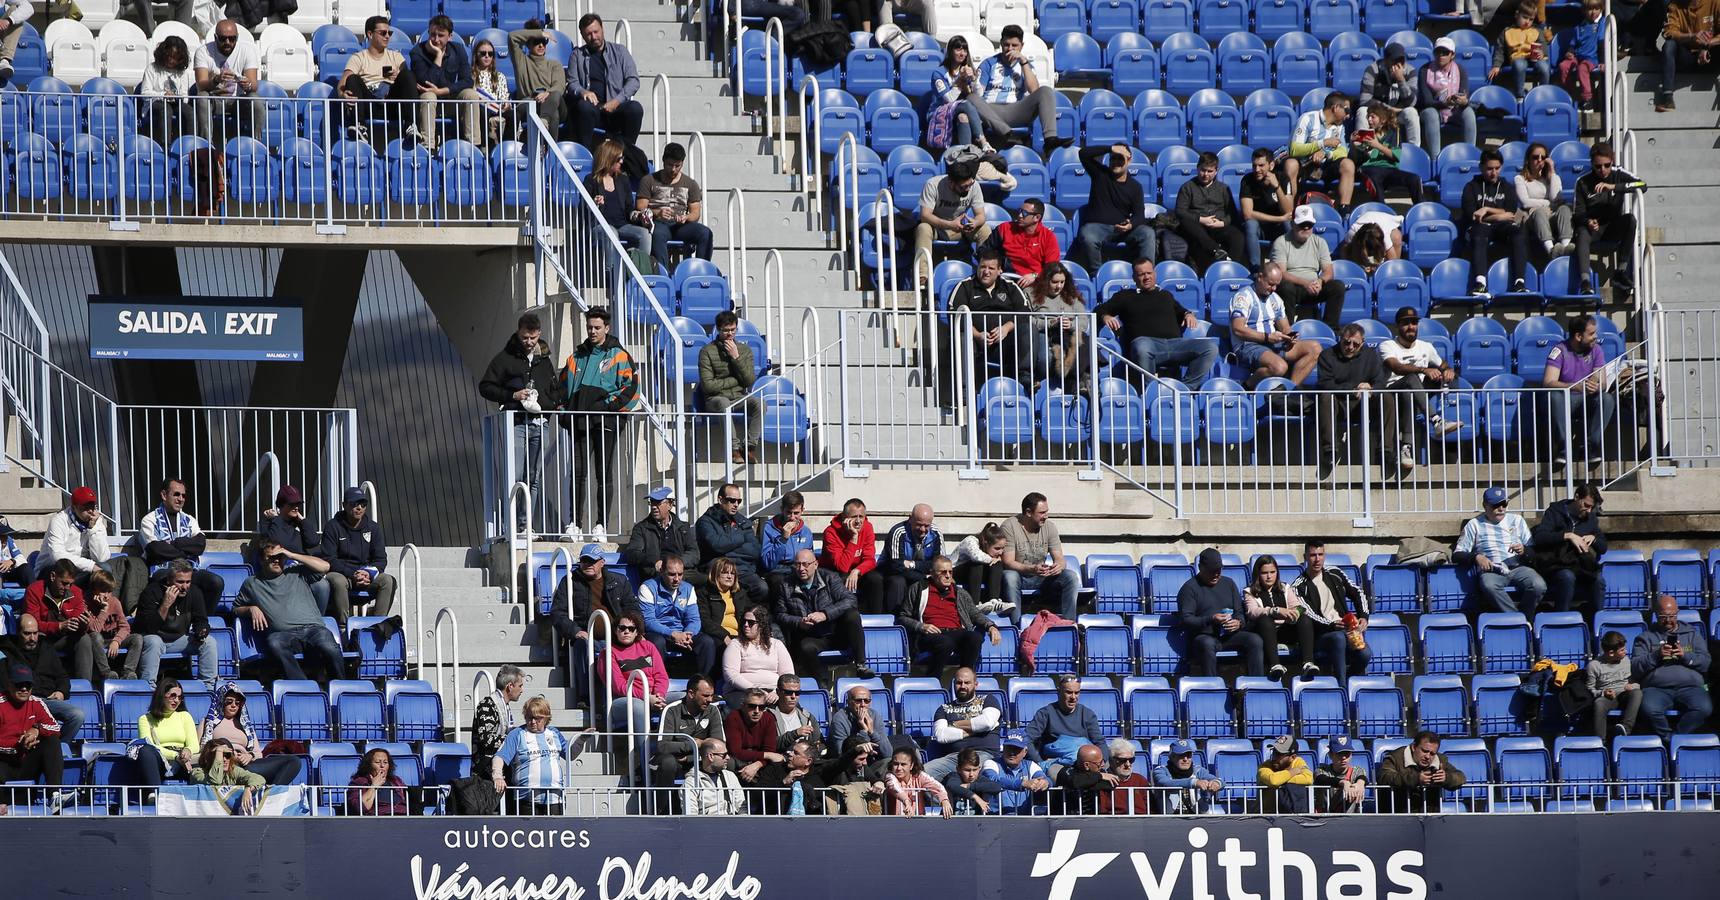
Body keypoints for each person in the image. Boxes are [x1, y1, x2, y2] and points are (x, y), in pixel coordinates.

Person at [560, 306, 643, 536]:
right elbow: (561, 388)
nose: (593, 331)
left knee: (603, 473)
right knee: (577, 473)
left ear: (607, 328)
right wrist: (564, 412)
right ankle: (574, 524)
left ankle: (600, 525)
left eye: (597, 327)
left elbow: (631, 391)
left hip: (606, 422)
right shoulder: (576, 357)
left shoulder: (620, 355)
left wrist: (607, 407)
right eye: (589, 327)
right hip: (579, 423)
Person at [480, 312, 560, 528]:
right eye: (525, 337)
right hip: (515, 424)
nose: (529, 342)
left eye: (533, 338)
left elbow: (554, 390)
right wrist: (512, 396)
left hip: (540, 424)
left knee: (533, 477)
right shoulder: (505, 358)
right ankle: (510, 524)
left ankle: (525, 525)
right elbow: (485, 386)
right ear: (518, 332)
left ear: (539, 334)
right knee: (514, 474)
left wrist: (548, 407)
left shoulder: (544, 360)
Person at [1096, 258, 1217, 389]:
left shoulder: (1165, 295)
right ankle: (1151, 391)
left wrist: (1188, 314)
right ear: (1134, 278)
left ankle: (1184, 389)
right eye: (1141, 274)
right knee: (1142, 345)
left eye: (1149, 273)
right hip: (1148, 345)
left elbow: (1181, 310)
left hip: (1175, 345)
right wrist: (1105, 316)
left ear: (1155, 274)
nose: (1146, 277)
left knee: (1210, 347)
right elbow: (1099, 310)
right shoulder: (1125, 296)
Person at [233, 539, 342, 682]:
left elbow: (325, 566)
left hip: (313, 629)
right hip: (283, 634)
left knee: (330, 647)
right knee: (274, 643)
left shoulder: (297, 572)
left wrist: (291, 555)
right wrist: (250, 609)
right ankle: (301, 685)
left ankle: (339, 685)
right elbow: (235, 608)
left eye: (280, 556)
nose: (277, 560)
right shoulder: (252, 583)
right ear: (260, 560)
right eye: (271, 557)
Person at [548, 545, 635, 706]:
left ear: (602, 562)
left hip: (617, 637)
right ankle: (586, 698)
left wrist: (629, 629)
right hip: (587, 638)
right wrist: (575, 631)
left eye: (592, 561)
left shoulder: (619, 581)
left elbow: (633, 610)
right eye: (584, 561)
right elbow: (558, 613)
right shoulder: (570, 582)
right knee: (581, 645)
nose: (587, 565)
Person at [1379, 307, 1462, 473]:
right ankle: (1437, 421)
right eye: (1405, 323)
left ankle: (1406, 449)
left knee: (1411, 390)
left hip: (1414, 396)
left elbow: (1442, 364)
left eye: (1414, 322)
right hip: (1391, 395)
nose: (1411, 326)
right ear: (1397, 326)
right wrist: (1423, 370)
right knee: (1411, 379)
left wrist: (1448, 370)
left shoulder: (1426, 347)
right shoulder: (1387, 345)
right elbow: (1397, 367)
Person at [773, 549, 872, 680]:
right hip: (811, 636)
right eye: (797, 564)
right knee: (806, 647)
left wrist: (825, 614)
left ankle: (861, 665)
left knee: (852, 615)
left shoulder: (830, 578)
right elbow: (780, 614)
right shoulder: (785, 585)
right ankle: (822, 686)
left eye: (805, 564)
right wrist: (799, 622)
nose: (801, 568)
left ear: (816, 564)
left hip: (836, 633)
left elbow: (850, 600)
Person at [1314, 323, 1392, 479]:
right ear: (1340, 339)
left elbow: (1380, 381)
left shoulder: (1371, 355)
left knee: (1386, 396)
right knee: (1325, 396)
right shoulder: (1327, 355)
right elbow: (1325, 384)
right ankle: (1330, 451)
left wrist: (1370, 388)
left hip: (1364, 405)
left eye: (1355, 344)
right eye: (1346, 342)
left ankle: (1386, 452)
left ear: (1362, 343)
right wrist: (1354, 388)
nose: (1350, 347)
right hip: (1339, 404)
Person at [970, 25, 1066, 151]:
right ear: (1001, 44)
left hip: (1015, 110)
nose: (1010, 49)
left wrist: (1023, 62)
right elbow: (978, 94)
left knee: (1046, 91)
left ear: (1021, 46)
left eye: (1014, 45)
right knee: (971, 97)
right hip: (992, 109)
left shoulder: (1026, 65)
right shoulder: (989, 63)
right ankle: (1007, 133)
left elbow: (1034, 91)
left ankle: (1050, 139)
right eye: (1006, 45)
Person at [1289, 541, 1373, 684]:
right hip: (1320, 636)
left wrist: (1364, 617)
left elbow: (1357, 592)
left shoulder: (1335, 573)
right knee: (1338, 638)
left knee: (1365, 654)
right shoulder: (1298, 586)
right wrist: (1333, 625)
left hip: (1347, 630)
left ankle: (1346, 679)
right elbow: (1309, 614)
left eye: (1320, 555)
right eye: (1313, 555)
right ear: (1305, 557)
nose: (1317, 559)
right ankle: (1341, 687)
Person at [900, 558, 1002, 675]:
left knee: (974, 638)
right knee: (945, 642)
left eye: (950, 572)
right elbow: (903, 617)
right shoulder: (918, 589)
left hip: (955, 632)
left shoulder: (960, 593)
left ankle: (965, 678)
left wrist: (990, 626)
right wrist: (921, 626)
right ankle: (933, 679)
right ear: (932, 573)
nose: (948, 576)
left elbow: (975, 613)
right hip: (930, 634)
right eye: (943, 572)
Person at [1455, 487, 1547, 615]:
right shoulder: (1474, 524)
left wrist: (1524, 550)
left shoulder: (1517, 520)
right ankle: (1518, 619)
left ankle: (1524, 617)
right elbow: (1458, 554)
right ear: (1485, 505)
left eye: (1504, 504)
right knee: (1489, 586)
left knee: (1538, 585)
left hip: (1517, 567)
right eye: (1495, 505)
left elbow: (1532, 550)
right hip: (1492, 569)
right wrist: (1476, 557)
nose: (1501, 508)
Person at [1542, 313, 1617, 467]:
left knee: (1607, 398)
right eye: (1591, 334)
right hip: (1565, 401)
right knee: (1554, 397)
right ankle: (1563, 447)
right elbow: (1548, 382)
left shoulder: (1596, 350)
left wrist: (1596, 386)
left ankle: (1590, 446)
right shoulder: (1559, 350)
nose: (1595, 337)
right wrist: (1574, 386)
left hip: (1586, 400)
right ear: (1578, 336)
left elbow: (1602, 382)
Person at [948, 251, 1033, 386]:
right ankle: (964, 390)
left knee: (1028, 329)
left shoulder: (1010, 286)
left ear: (1000, 270)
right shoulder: (965, 286)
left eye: (991, 268)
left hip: (1005, 343)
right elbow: (955, 316)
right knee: (962, 337)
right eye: (982, 267)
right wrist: (977, 335)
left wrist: (1006, 328)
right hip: (975, 342)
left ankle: (1024, 376)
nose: (986, 272)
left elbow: (1025, 313)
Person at [131, 561, 218, 692]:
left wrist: (202, 630)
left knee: (209, 642)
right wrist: (165, 604)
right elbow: (149, 628)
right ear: (168, 580)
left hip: (178, 639)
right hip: (154, 638)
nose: (185, 587)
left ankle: (208, 689)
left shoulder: (194, 592)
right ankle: (148, 688)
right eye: (180, 582)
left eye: (188, 582)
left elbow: (202, 620)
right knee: (154, 641)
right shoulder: (151, 592)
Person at [1633, 594, 1712, 738]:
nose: (1668, 620)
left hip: (1690, 687)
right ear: (1656, 615)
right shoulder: (1645, 637)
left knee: (1704, 708)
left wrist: (1685, 656)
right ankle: (1668, 739)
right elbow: (1636, 667)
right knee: (1649, 710)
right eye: (1663, 616)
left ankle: (1678, 737)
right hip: (1657, 689)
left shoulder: (1692, 635)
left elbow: (1706, 662)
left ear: (1677, 613)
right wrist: (1656, 655)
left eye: (1672, 616)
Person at [1229, 262, 1321, 386]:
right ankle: (1247, 386)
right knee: (1279, 367)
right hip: (1248, 346)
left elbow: (1285, 327)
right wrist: (1266, 337)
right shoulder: (1243, 297)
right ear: (1260, 277)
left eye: (1276, 285)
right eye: (1270, 284)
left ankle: (1289, 390)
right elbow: (1238, 329)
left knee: (1315, 348)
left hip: (1272, 343)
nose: (1273, 289)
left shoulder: (1276, 299)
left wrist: (1290, 337)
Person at [1178, 548, 1265, 677]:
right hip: (1204, 635)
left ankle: (1256, 684)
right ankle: (1212, 685)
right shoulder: (1189, 588)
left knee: (1255, 640)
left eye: (1218, 571)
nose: (1216, 575)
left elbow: (1239, 611)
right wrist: (1211, 619)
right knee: (1207, 644)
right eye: (1211, 572)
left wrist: (1238, 622)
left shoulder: (1228, 584)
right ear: (1200, 568)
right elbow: (1186, 619)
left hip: (1229, 635)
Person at [137, 478, 224, 607]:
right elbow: (155, 550)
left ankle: (202, 620)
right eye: (176, 494)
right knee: (165, 579)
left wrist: (175, 543)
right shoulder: (149, 520)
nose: (181, 499)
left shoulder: (189, 520)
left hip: (189, 571)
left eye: (183, 495)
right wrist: (186, 552)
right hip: (163, 571)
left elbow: (200, 545)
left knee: (216, 582)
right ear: (164, 495)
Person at [38, 486, 132, 602]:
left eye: (92, 506)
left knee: (104, 568)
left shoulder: (96, 522)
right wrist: (90, 566)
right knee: (96, 569)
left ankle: (101, 607)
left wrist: (93, 529)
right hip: (52, 570)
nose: (91, 511)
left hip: (78, 571)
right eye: (86, 508)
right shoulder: (59, 521)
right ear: (74, 507)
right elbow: (57, 556)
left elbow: (101, 557)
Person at [0, 614, 85, 742]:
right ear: (18, 633)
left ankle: (59, 747)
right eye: (27, 633)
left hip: (48, 700)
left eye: (35, 633)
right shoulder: (6, 652)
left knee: (77, 715)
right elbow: (5, 683)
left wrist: (61, 692)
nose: (32, 638)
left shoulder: (47, 649)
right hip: (22, 701)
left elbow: (62, 676)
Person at [320, 486, 396, 628]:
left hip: (365, 575)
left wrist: (368, 573)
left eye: (363, 504)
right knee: (336, 580)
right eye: (354, 504)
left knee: (388, 580)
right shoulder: (332, 526)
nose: (359, 507)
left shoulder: (373, 528)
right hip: (344, 574)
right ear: (344, 505)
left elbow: (380, 559)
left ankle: (378, 624)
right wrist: (353, 574)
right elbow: (329, 559)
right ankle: (343, 628)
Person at [1072, 144, 1155, 271]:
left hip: (1122, 230)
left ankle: (1146, 272)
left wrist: (1130, 225)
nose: (1116, 162)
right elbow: (1083, 154)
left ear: (1129, 160)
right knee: (1087, 234)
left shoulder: (1135, 187)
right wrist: (1109, 149)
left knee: (1147, 233)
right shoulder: (1100, 175)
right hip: (1097, 228)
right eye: (1113, 158)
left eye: (1120, 158)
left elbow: (1139, 215)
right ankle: (1097, 273)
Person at [567, 13, 643, 151]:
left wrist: (617, 101)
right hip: (592, 110)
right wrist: (583, 91)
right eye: (588, 34)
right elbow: (572, 83)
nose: (594, 37)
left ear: (602, 29)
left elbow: (633, 80)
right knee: (583, 107)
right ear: (583, 36)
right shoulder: (577, 55)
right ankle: (585, 154)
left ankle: (627, 154)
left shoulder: (620, 51)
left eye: (596, 32)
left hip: (615, 108)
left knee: (635, 108)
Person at [999, 492, 1081, 620]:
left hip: (1042, 577)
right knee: (1009, 576)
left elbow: (1060, 558)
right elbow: (1008, 562)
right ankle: (1016, 626)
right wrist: (1031, 568)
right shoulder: (1009, 526)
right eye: (1042, 513)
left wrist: (1058, 566)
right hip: (1019, 575)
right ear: (1028, 512)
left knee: (1070, 576)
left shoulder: (1050, 527)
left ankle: (1069, 624)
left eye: (1046, 512)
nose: (1046, 516)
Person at [1571, 142, 1638, 296]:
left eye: (1607, 165)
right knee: (1582, 232)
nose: (1603, 170)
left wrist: (1614, 187)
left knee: (1630, 220)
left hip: (1612, 227)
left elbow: (1642, 184)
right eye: (1598, 166)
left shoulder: (1618, 174)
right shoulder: (1582, 182)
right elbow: (1577, 214)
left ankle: (1620, 272)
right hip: (1592, 228)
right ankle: (1585, 281)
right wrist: (1588, 221)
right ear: (1592, 164)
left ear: (1612, 161)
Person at [1530, 484, 1608, 614]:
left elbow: (1603, 547)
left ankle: (1596, 623)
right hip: (1556, 564)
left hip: (1580, 566)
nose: (1588, 510)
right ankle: (1562, 618)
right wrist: (1567, 536)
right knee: (1567, 577)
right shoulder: (1555, 512)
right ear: (1577, 497)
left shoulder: (1591, 519)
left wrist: (1593, 539)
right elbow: (1540, 537)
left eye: (1592, 507)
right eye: (1586, 505)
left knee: (1599, 580)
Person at [637, 555, 718, 679]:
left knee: (707, 642)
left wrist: (688, 634)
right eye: (671, 574)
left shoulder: (688, 589)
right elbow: (648, 621)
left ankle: (703, 685)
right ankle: (657, 683)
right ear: (662, 571)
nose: (676, 579)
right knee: (657, 642)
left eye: (680, 574)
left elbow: (694, 619)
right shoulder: (648, 588)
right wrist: (673, 634)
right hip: (658, 632)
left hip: (682, 633)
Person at [251, 485, 329, 614]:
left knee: (322, 586)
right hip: (282, 570)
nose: (296, 507)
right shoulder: (271, 523)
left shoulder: (299, 523)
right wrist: (276, 519)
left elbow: (313, 541)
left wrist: (303, 520)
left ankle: (318, 620)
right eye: (292, 504)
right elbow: (278, 543)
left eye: (298, 504)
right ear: (281, 505)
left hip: (302, 569)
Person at [1461, 148, 1528, 298]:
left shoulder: (1507, 187)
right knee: (1478, 233)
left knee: (1518, 232)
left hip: (1502, 228)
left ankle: (1519, 283)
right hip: (1479, 228)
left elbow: (1510, 213)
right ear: (1481, 168)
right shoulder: (1471, 187)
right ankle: (1480, 284)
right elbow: (1471, 215)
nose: (1494, 172)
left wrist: (1485, 209)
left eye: (1497, 168)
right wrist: (1498, 216)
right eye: (1489, 169)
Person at [636, 143, 712, 273]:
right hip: (658, 223)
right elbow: (640, 207)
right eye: (670, 165)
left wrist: (686, 217)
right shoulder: (649, 180)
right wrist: (657, 213)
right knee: (658, 234)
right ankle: (662, 274)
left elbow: (695, 212)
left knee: (705, 233)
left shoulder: (690, 184)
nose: (673, 169)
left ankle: (701, 272)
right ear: (663, 161)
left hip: (680, 225)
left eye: (678, 166)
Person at [913, 160, 991, 287]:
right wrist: (950, 225)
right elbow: (925, 216)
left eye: (969, 184)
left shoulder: (974, 186)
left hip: (961, 228)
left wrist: (974, 223)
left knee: (985, 230)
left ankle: (984, 273)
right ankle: (923, 277)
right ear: (951, 183)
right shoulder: (933, 184)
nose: (968, 188)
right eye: (963, 186)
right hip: (937, 227)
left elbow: (981, 216)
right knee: (923, 228)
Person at [699, 311, 762, 465]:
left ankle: (748, 447)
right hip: (715, 399)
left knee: (760, 404)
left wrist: (736, 358)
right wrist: (736, 380)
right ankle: (734, 450)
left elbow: (749, 381)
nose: (730, 334)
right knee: (723, 404)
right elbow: (708, 386)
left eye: (733, 330)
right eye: (726, 330)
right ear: (718, 329)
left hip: (738, 397)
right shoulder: (707, 351)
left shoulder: (744, 350)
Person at [409, 15, 480, 152]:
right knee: (429, 96)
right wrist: (438, 57)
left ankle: (473, 148)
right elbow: (427, 82)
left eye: (441, 35)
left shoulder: (458, 49)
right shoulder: (417, 52)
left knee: (470, 94)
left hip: (450, 101)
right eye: (432, 34)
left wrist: (442, 91)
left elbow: (467, 81)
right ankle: (427, 148)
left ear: (450, 36)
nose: (436, 39)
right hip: (425, 104)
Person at [493, 695, 573, 814]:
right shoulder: (517, 734)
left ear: (546, 718)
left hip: (555, 798)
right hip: (526, 800)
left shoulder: (554, 733)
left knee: (555, 832)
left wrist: (582, 740)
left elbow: (571, 755)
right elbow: (500, 757)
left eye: (537, 718)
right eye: (529, 718)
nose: (533, 722)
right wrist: (497, 776)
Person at [0, 664, 66, 808]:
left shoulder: (36, 702)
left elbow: (55, 728)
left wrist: (36, 730)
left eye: (28, 685)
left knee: (52, 741)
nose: (24, 689)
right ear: (9, 685)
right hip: (3, 762)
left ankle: (55, 796)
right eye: (19, 684)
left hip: (25, 763)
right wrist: (19, 743)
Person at [923, 667, 1003, 782]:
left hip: (984, 755)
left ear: (976, 684)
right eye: (959, 683)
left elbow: (987, 722)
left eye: (967, 682)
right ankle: (941, 801)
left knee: (985, 773)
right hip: (954, 758)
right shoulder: (944, 709)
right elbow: (941, 735)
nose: (963, 686)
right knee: (923, 773)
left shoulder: (988, 700)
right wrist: (978, 728)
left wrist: (954, 724)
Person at [1243, 556, 1317, 681]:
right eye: (1264, 573)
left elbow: (1299, 606)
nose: (1269, 577)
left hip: (1285, 631)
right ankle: (1275, 665)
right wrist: (1274, 611)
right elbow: (1252, 612)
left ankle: (1308, 663)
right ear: (1257, 574)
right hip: (1265, 632)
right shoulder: (1249, 591)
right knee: (1265, 619)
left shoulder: (1285, 588)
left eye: (1272, 572)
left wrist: (1295, 613)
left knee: (1304, 618)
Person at [1273, 205, 1346, 329]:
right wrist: (1305, 283)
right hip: (1293, 288)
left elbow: (1328, 271)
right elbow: (1281, 273)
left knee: (1337, 286)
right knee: (1285, 287)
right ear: (1292, 224)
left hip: (1313, 287)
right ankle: (1287, 330)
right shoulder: (1281, 242)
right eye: (1302, 224)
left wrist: (1320, 281)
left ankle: (1330, 328)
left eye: (1309, 224)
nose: (1306, 228)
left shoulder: (1320, 242)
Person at [338, 16, 410, 142]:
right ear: (370, 34)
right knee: (353, 78)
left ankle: (411, 125)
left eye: (389, 33)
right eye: (383, 33)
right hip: (369, 104)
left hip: (391, 104)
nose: (387, 36)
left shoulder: (397, 57)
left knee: (407, 75)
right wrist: (342, 95)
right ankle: (358, 125)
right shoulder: (359, 57)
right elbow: (343, 82)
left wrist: (398, 76)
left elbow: (409, 83)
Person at [697, 483, 770, 604]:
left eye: (738, 501)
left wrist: (727, 550)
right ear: (720, 499)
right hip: (719, 570)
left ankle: (749, 619)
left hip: (742, 570)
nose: (736, 504)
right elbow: (717, 545)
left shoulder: (742, 521)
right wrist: (740, 537)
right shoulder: (706, 521)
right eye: (731, 500)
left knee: (762, 588)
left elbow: (754, 551)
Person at [1285, 92, 1358, 212]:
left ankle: (1344, 210)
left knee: (1348, 164)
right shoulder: (1308, 118)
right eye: (1347, 110)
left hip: (1326, 166)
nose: (1348, 115)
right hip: (1305, 165)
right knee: (1291, 164)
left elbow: (1343, 151)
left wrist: (1326, 153)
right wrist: (1322, 143)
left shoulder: (1339, 126)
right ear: (1335, 108)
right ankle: (1290, 211)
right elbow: (1294, 149)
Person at [604, 611, 669, 742]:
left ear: (636, 632)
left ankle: (674, 749)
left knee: (684, 699)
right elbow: (619, 687)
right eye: (622, 628)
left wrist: (658, 696)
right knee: (639, 706)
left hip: (653, 696)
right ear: (616, 631)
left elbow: (661, 676)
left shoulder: (648, 647)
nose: (626, 631)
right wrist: (646, 697)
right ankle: (645, 756)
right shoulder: (608, 653)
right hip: (622, 700)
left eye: (631, 628)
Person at [585, 138, 654, 263]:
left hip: (622, 224)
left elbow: (629, 209)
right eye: (618, 159)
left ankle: (641, 271)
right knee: (611, 233)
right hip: (600, 225)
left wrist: (638, 215)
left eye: (622, 158)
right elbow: (583, 209)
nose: (622, 161)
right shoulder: (591, 180)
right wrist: (594, 203)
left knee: (645, 234)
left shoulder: (623, 180)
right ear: (608, 159)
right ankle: (611, 274)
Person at [1175, 151, 1247, 271]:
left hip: (1218, 225)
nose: (1206, 174)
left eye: (1210, 171)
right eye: (1203, 170)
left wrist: (1222, 222)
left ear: (1216, 171)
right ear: (1197, 168)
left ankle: (1234, 267)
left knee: (1237, 235)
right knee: (1187, 223)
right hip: (1198, 226)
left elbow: (1232, 214)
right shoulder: (1187, 187)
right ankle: (1215, 249)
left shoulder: (1223, 188)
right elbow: (1180, 211)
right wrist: (1201, 220)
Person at [192, 19, 261, 143]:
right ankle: (206, 145)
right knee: (202, 97)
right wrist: (216, 79)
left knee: (255, 99)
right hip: (214, 101)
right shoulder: (203, 52)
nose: (228, 42)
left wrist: (247, 84)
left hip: (237, 101)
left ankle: (257, 145)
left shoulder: (247, 51)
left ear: (237, 37)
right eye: (223, 39)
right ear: (215, 37)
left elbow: (254, 85)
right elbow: (201, 85)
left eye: (232, 38)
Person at [1024, 675, 1106, 775]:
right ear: (1058, 692)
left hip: (1085, 763)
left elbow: (1099, 742)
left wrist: (1102, 763)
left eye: (1077, 693)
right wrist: (1040, 762)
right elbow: (1027, 739)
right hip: (1057, 764)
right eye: (1068, 692)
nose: (1073, 697)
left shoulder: (1087, 714)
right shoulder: (1045, 713)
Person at [73, 571, 144, 685]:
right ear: (94, 590)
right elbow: (94, 629)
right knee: (95, 636)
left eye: (109, 592)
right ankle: (106, 673)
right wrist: (103, 611)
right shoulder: (85, 604)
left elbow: (125, 627)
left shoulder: (114, 602)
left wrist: (116, 640)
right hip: (97, 641)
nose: (106, 596)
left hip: (113, 639)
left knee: (137, 638)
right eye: (103, 591)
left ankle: (128, 672)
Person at [655, 675, 726, 783]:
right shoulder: (671, 710)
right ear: (691, 694)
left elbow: (719, 746)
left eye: (712, 696)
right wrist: (695, 744)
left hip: (702, 759)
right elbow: (663, 746)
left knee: (726, 762)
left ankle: (723, 799)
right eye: (706, 696)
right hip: (676, 760)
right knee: (667, 763)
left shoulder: (713, 710)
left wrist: (690, 758)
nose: (710, 700)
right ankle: (663, 800)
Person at [131, 678, 198, 793]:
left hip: (184, 760)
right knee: (145, 750)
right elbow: (150, 745)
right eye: (173, 696)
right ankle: (155, 795)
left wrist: (188, 750)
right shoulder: (145, 719)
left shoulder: (185, 716)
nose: (176, 700)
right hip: (161, 760)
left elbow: (194, 744)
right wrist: (175, 756)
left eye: (179, 697)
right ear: (162, 696)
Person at [820, 498, 884, 615]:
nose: (859, 521)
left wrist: (857, 571)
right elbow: (842, 566)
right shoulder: (830, 533)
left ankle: (875, 618)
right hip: (834, 572)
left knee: (876, 579)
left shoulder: (868, 527)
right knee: (842, 578)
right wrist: (853, 538)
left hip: (855, 571)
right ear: (845, 518)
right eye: (854, 517)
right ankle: (845, 617)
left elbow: (870, 560)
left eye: (862, 516)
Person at [1376, 730, 1465, 813]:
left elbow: (1461, 777)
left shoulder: (1440, 760)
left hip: (1430, 817)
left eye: (1432, 753)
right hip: (1398, 814)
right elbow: (1384, 777)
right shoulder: (1395, 757)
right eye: (1424, 751)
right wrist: (1415, 779)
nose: (1428, 756)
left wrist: (1446, 778)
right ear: (1414, 747)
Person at [625, 486, 701, 582]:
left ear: (670, 505)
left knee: (708, 580)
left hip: (681, 572)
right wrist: (654, 561)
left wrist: (676, 564)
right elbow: (632, 553)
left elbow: (694, 554)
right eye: (652, 502)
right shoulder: (641, 528)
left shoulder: (683, 527)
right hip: (655, 573)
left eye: (658, 503)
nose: (653, 507)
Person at [1418, 37, 1478, 160]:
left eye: (1445, 53)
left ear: (1452, 55)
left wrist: (1463, 101)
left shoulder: (1460, 70)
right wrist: (1444, 103)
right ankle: (1436, 159)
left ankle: (1471, 155)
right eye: (1437, 52)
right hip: (1434, 110)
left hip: (1454, 110)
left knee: (1469, 112)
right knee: (1430, 113)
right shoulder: (1425, 70)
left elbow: (1463, 93)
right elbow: (1426, 101)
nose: (1441, 55)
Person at [1352, 102, 1423, 204]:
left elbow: (1397, 156)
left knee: (1414, 178)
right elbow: (1359, 157)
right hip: (1370, 168)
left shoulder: (1394, 132)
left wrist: (1377, 145)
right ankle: (1381, 210)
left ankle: (1419, 208)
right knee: (1375, 177)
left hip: (1390, 169)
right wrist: (1353, 143)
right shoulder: (1365, 134)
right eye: (1368, 117)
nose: (1369, 120)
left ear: (1383, 120)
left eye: (1373, 117)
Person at [1656, 0, 1720, 111]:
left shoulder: (1715, 2)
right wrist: (1691, 36)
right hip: (1687, 56)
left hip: (1711, 55)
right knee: (1669, 45)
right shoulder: (1675, 5)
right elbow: (1669, 32)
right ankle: (1667, 98)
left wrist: (1707, 45)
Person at [879, 504, 942, 617]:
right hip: (894, 574)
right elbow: (896, 566)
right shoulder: (898, 532)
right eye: (919, 525)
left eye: (926, 526)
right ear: (910, 518)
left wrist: (912, 564)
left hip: (919, 573)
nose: (923, 530)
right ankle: (895, 619)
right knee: (898, 582)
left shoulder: (936, 533)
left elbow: (938, 564)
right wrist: (924, 573)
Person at [929, 35, 989, 151]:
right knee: (966, 104)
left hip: (961, 112)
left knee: (963, 117)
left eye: (965, 50)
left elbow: (979, 96)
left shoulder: (968, 69)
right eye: (958, 49)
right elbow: (949, 100)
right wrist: (960, 80)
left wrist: (974, 79)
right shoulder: (939, 73)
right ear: (950, 52)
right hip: (941, 111)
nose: (962, 53)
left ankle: (966, 153)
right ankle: (983, 141)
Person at [507, 21, 566, 139]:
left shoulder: (554, 64)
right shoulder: (521, 61)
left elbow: (559, 85)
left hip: (553, 101)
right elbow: (512, 37)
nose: (541, 45)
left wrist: (547, 93)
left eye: (543, 42)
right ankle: (550, 152)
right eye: (536, 41)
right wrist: (540, 34)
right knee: (553, 114)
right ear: (528, 44)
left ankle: (543, 122)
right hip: (530, 103)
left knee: (554, 96)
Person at [1356, 42, 1421, 148]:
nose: (1398, 64)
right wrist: (1388, 109)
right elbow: (1365, 100)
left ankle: (1413, 152)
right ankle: (1362, 149)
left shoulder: (1410, 71)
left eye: (1401, 60)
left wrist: (1401, 80)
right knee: (1362, 111)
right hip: (1377, 113)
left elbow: (1412, 102)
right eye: (1394, 60)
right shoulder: (1372, 70)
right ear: (1386, 60)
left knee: (1411, 113)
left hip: (1399, 114)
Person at [1517, 142, 1575, 259]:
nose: (1539, 160)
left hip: (1552, 217)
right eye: (1535, 157)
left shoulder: (1554, 178)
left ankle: (1565, 248)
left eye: (1543, 158)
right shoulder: (1520, 179)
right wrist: (1548, 204)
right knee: (1540, 212)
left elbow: (1555, 197)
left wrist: (1552, 171)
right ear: (1528, 160)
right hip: (1534, 218)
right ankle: (1551, 250)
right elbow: (1525, 202)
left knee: (1564, 209)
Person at [24, 558, 91, 657]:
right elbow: (32, 625)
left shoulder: (76, 592)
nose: (68, 588)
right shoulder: (34, 591)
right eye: (64, 583)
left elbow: (76, 626)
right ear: (52, 576)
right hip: (42, 639)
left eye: (71, 584)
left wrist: (83, 625)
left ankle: (84, 673)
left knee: (84, 638)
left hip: (65, 638)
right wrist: (59, 626)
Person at [950, 522, 1015, 624]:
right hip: (956, 571)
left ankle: (995, 601)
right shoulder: (971, 540)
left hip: (976, 575)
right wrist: (993, 559)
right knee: (978, 564)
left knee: (997, 564)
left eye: (1003, 548)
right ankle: (974, 604)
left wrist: (997, 560)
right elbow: (976, 556)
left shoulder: (993, 553)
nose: (1001, 552)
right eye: (997, 548)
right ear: (985, 543)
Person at [987, 199, 1062, 287]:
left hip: (1034, 284)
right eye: (1020, 211)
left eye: (1025, 213)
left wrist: (1035, 275)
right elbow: (984, 251)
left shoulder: (1048, 237)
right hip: (1005, 279)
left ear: (1037, 217)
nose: (1020, 215)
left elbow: (1052, 267)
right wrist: (996, 266)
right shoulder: (1004, 229)